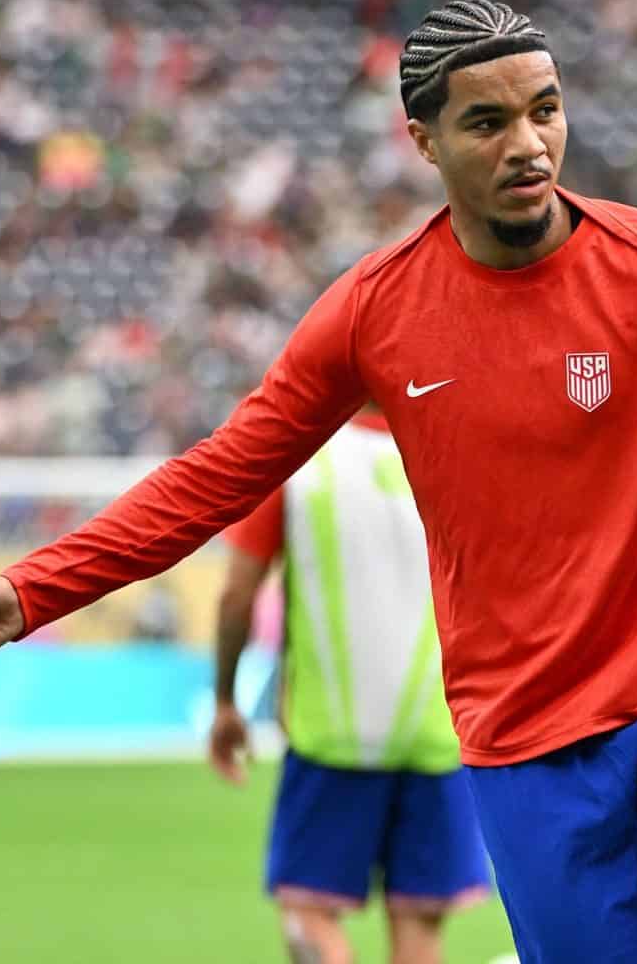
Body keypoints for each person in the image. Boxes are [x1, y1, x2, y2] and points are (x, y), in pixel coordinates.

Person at [0, 0, 637, 964]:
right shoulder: (376, 313)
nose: (529, 145)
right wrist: (34, 590)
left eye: (545, 110)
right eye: (487, 123)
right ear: (422, 140)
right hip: (524, 747)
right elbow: (215, 477)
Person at [208, 411, 488, 964]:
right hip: (439, 729)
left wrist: (224, 700)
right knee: (420, 928)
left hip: (334, 734)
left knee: (308, 914)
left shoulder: (296, 452)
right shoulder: (460, 438)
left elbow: (238, 594)